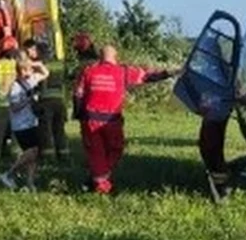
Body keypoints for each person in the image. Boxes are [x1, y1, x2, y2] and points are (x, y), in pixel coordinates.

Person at [72, 43, 174, 194]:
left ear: (100, 57)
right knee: (115, 150)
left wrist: (78, 114)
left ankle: (96, 178)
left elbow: (78, 94)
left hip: (90, 119)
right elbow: (148, 77)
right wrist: (170, 73)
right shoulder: (123, 71)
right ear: (115, 57)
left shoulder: (88, 71)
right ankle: (101, 185)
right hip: (111, 120)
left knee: (95, 152)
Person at [0, 54, 50, 191]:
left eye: (28, 70)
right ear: (18, 71)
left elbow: (45, 72)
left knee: (34, 156)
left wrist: (33, 64)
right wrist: (28, 99)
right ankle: (9, 174)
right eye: (23, 70)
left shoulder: (32, 79)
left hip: (32, 122)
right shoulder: (15, 87)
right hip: (20, 124)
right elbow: (14, 107)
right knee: (33, 151)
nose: (26, 73)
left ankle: (30, 183)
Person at [25, 39, 69, 162]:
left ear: (40, 52)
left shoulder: (40, 65)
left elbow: (35, 84)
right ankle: (64, 154)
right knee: (59, 129)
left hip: (46, 101)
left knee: (46, 130)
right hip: (60, 100)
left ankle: (48, 156)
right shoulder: (60, 65)